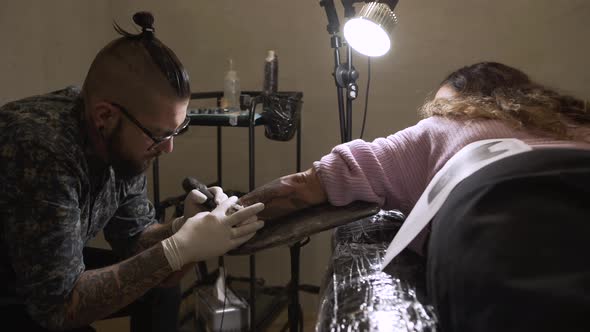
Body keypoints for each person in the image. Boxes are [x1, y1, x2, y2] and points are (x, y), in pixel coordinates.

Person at [239, 62, 590, 331]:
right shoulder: (574, 122)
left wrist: (225, 220)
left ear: (463, 104)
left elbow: (306, 185)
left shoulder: (443, 127)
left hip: (495, 205)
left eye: (442, 106)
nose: (438, 113)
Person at [0, 12, 264, 332]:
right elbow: (58, 307)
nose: (167, 148)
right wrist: (179, 248)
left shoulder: (121, 142)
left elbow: (134, 240)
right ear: (104, 116)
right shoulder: (42, 149)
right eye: (158, 135)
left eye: (175, 132)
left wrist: (182, 228)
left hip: (40, 276)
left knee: (160, 287)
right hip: (17, 287)